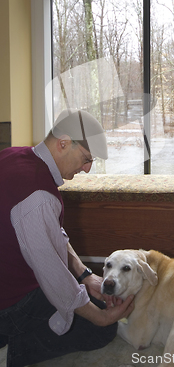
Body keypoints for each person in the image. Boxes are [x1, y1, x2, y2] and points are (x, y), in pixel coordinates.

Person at [0, 109, 134, 367]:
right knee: (99, 328)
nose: (87, 169)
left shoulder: (13, 154)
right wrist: (101, 317)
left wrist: (85, 276)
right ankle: (15, 350)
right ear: (63, 143)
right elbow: (52, 275)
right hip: (10, 304)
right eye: (86, 159)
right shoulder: (37, 195)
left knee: (85, 294)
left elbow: (53, 236)